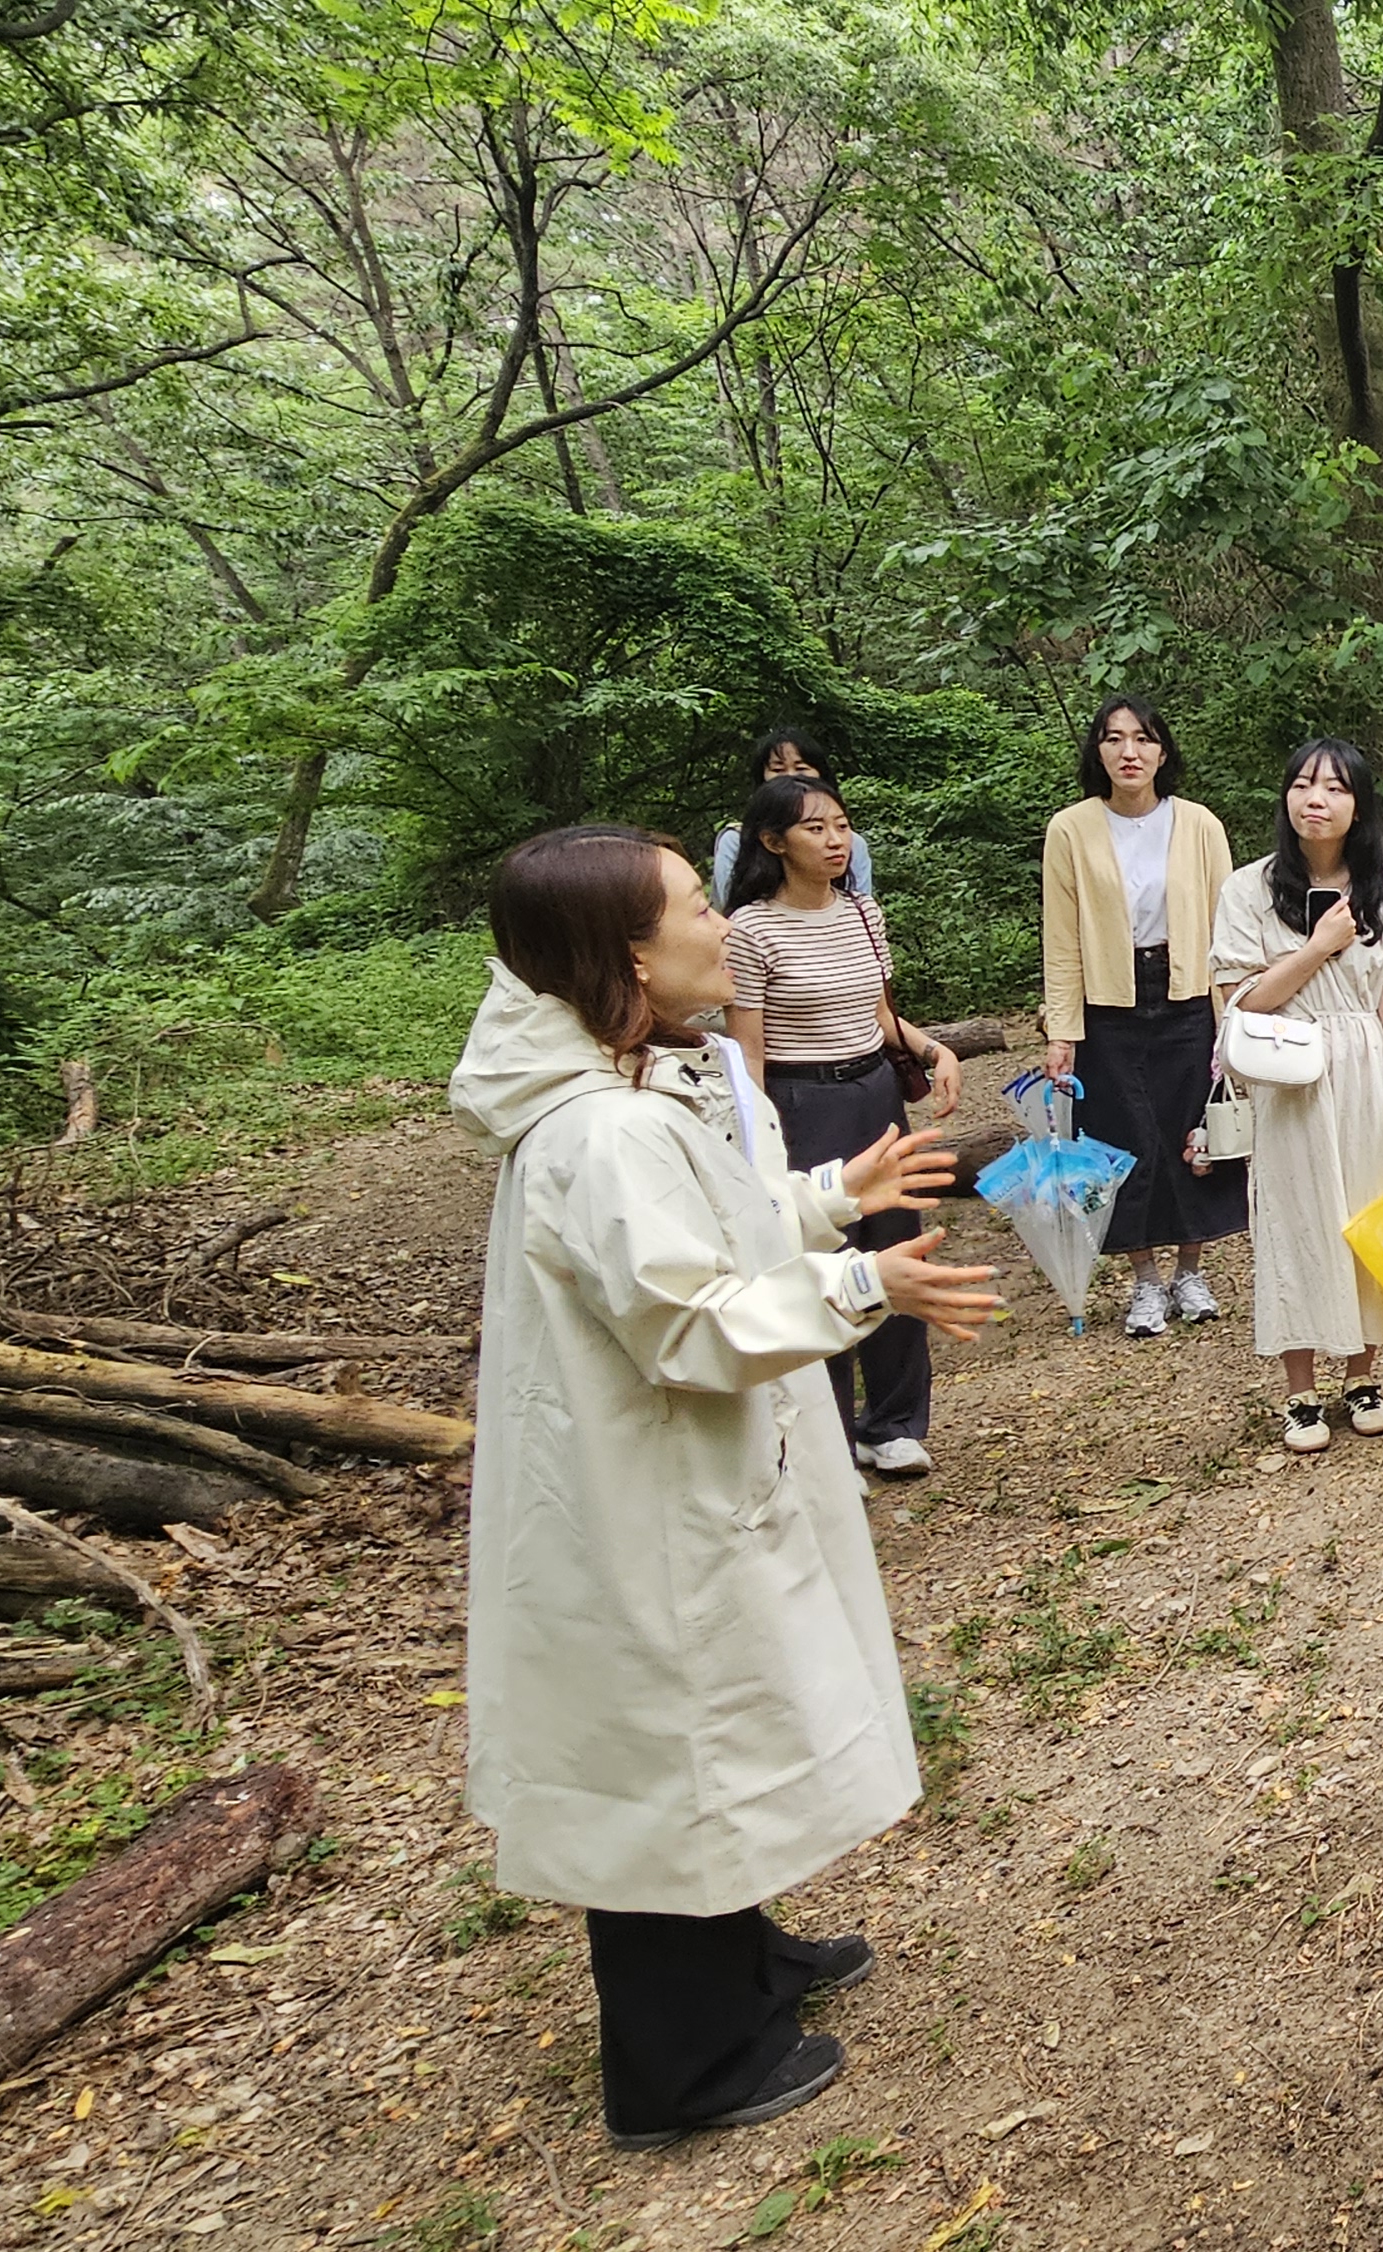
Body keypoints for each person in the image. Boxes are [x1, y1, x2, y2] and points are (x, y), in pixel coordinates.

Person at [453, 825, 1000, 2151]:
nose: (720, 923)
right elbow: (690, 1322)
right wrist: (867, 1279)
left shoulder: (637, 1088)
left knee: (716, 1724)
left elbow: (714, 1235)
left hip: (680, 1477)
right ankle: (682, 2069)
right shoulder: (599, 1134)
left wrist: (829, 1198)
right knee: (670, 1744)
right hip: (646, 1496)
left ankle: (743, 1958)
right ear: (625, 954)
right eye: (696, 906)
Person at [719, 773, 964, 1478]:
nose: (835, 840)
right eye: (815, 829)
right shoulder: (751, 930)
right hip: (802, 1101)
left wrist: (928, 1047)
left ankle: (893, 1423)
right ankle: (823, 1438)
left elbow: (878, 1012)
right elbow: (749, 1051)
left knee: (898, 1245)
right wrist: (755, 1142)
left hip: (873, 1090)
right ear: (773, 842)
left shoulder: (863, 912)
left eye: (841, 825)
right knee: (825, 1258)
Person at [1213, 738, 1383, 1448]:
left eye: (1336, 788)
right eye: (1304, 785)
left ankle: (1363, 1375)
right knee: (1299, 1221)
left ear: (1359, 805)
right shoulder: (1246, 889)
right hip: (1291, 1074)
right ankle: (1299, 1393)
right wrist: (1317, 946)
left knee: (1372, 1217)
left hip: (1368, 1071)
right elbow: (1241, 1002)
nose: (1317, 799)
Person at [1042, 697, 1245, 1336]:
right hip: (1109, 1001)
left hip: (1187, 991)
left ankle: (1191, 1270)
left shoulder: (1201, 825)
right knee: (1122, 1138)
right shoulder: (1070, 829)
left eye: (1143, 739)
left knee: (1192, 1131)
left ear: (1163, 751)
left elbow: (1228, 926)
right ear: (1097, 752)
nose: (1129, 752)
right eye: (1114, 739)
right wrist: (1062, 1030)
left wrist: (1232, 1013)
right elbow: (1062, 937)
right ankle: (1145, 1282)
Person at [707, 726, 870, 903]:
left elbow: (859, 903)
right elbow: (731, 907)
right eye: (778, 770)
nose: (790, 777)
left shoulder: (852, 843)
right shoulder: (736, 840)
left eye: (801, 768)